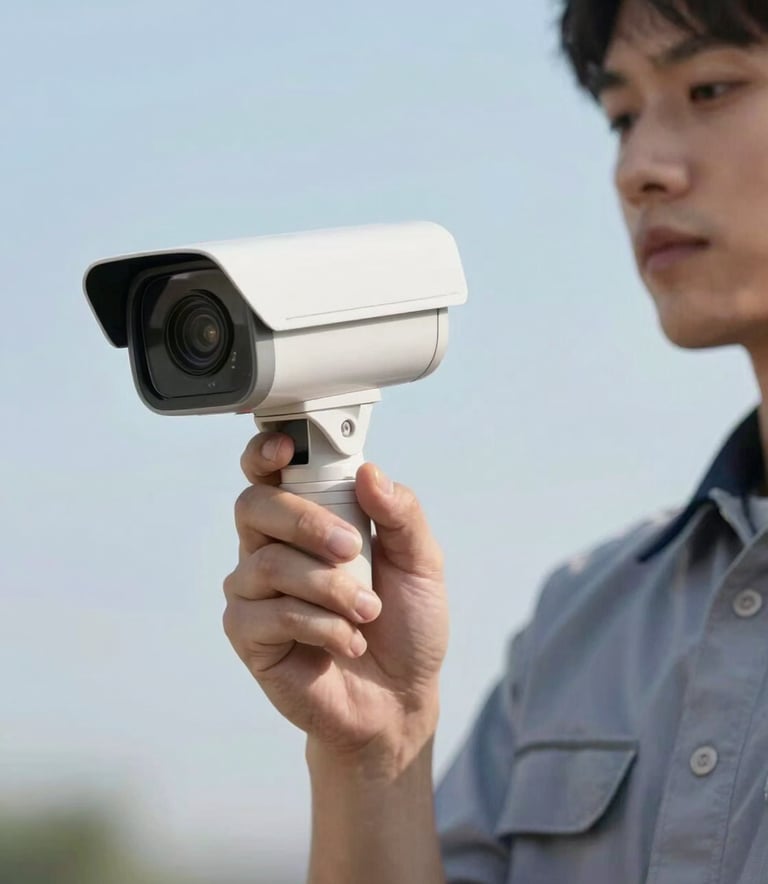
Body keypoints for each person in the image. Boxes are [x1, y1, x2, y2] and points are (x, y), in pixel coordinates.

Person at [221, 0, 768, 880]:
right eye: (622, 116)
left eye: (710, 87)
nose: (640, 168)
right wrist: (374, 752)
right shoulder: (584, 623)